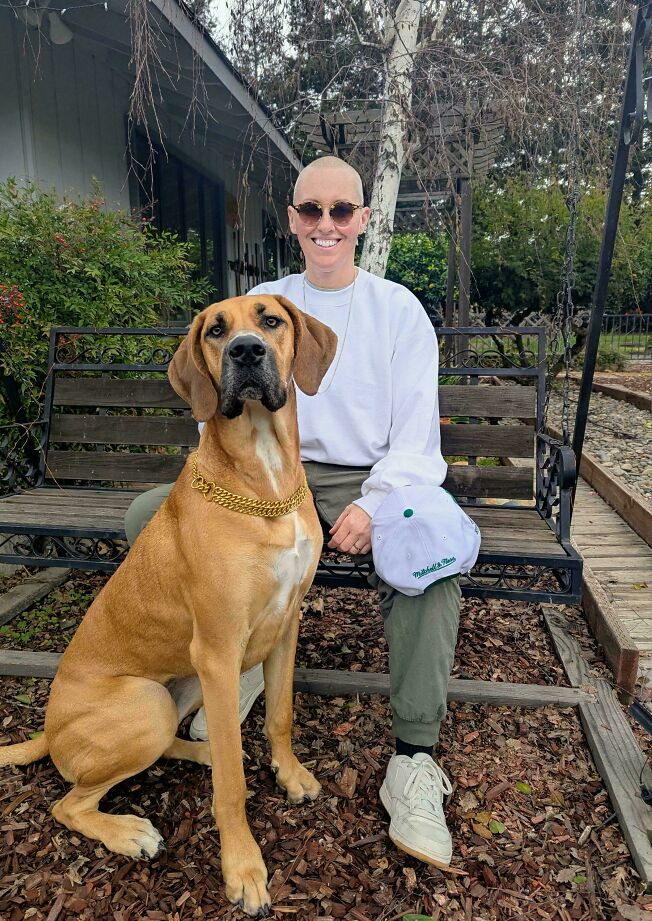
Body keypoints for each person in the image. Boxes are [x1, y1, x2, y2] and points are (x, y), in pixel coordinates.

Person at [124, 155, 461, 869]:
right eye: (312, 211)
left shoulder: (397, 310)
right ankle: (232, 658)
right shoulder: (261, 302)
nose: (327, 226)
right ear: (293, 221)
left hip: (369, 477)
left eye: (342, 211)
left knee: (428, 563)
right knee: (150, 521)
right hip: (261, 472)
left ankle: (414, 757)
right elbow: (215, 409)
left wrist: (373, 507)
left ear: (363, 219)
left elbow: (417, 442)